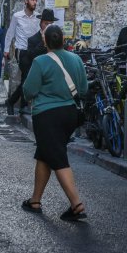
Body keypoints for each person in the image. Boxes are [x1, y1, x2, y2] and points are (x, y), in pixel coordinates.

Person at [21, 25, 89, 221]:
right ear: (63, 40)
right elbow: (83, 89)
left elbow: (29, 90)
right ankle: (35, 200)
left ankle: (76, 204)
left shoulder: (41, 61)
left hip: (47, 115)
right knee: (45, 154)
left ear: (45, 42)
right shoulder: (76, 59)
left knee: (57, 156)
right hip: (70, 114)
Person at [7, 8, 57, 115]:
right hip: (28, 60)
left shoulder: (55, 37)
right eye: (46, 23)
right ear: (41, 23)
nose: (48, 26)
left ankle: (12, 102)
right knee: (26, 82)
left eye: (51, 24)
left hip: (45, 66)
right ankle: (20, 105)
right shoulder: (33, 39)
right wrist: (43, 42)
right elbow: (32, 54)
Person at [3, 0, 40, 108]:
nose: (35, 2)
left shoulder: (38, 17)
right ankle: (21, 105)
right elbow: (10, 33)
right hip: (21, 50)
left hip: (34, 51)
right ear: (26, 1)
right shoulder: (17, 16)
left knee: (27, 78)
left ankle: (13, 102)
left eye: (36, 0)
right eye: (32, 0)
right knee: (27, 76)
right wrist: (6, 49)